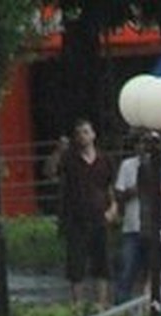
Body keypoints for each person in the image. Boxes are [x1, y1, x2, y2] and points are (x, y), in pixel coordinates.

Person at [45, 118, 117, 306]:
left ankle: (102, 305)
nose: (82, 137)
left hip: (99, 216)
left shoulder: (105, 159)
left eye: (86, 132)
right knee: (76, 264)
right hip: (76, 218)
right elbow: (50, 172)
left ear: (93, 135)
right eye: (79, 133)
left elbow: (109, 186)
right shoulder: (69, 159)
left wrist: (113, 208)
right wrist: (59, 151)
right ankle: (77, 305)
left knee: (102, 263)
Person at [113, 139, 147, 303]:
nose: (142, 147)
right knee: (127, 269)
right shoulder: (127, 165)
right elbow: (118, 194)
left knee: (151, 271)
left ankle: (147, 308)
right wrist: (134, 190)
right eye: (139, 143)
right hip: (131, 226)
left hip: (152, 225)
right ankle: (121, 306)